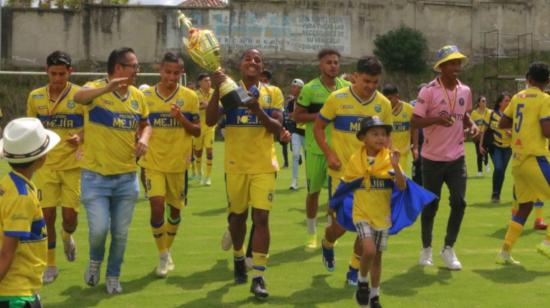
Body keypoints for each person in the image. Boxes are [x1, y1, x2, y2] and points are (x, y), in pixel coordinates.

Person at [206, 49, 290, 299]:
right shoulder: (229, 91)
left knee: (261, 219)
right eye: (248, 59)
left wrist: (258, 110)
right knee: (238, 220)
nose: (253, 62)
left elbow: (277, 129)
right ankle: (239, 256)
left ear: (262, 67)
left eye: (257, 60)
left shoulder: (271, 93)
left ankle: (259, 276)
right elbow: (210, 121)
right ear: (240, 66)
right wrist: (215, 89)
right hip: (235, 166)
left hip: (264, 165)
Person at [73, 47, 151, 294]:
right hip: (95, 178)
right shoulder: (94, 88)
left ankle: (113, 276)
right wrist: (107, 88)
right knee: (98, 230)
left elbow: (146, 124)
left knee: (120, 234)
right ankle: (95, 261)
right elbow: (79, 98)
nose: (137, 71)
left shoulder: (138, 96)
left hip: (127, 178)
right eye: (134, 66)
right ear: (118, 68)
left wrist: (145, 139)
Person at [314, 56, 392, 285]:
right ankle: (327, 243)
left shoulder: (383, 105)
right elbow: (319, 127)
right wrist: (330, 154)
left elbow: (386, 139)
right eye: (366, 81)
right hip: (342, 176)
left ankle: (354, 269)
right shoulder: (337, 99)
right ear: (356, 76)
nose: (370, 86)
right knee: (339, 227)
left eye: (375, 82)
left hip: (371, 178)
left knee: (365, 226)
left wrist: (388, 164)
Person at [412, 45, 479, 270]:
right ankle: (426, 249)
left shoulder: (465, 90)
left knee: (459, 202)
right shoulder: (428, 91)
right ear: (440, 67)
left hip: (457, 157)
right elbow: (414, 121)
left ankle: (448, 249)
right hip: (431, 158)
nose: (456, 67)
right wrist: (436, 121)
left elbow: (465, 114)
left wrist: (472, 124)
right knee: (431, 205)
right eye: (451, 63)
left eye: (458, 63)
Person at [139, 52, 200, 277]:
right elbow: (140, 125)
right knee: (156, 206)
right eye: (167, 72)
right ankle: (163, 255)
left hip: (178, 164)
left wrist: (181, 118)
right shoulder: (145, 96)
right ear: (159, 70)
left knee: (175, 211)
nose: (171, 77)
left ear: (181, 73)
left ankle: (166, 251)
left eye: (176, 73)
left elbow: (197, 130)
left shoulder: (189, 97)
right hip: (153, 162)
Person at [25, 51, 83, 284]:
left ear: (70, 72)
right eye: (53, 74)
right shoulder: (35, 96)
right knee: (46, 215)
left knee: (70, 218)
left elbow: (91, 126)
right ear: (46, 72)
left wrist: (80, 137)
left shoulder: (80, 96)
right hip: (46, 166)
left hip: (72, 165)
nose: (57, 78)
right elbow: (31, 128)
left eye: (62, 74)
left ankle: (67, 236)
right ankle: (50, 264)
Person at [336, 116, 406, 308]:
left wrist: (395, 166)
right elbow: (345, 185)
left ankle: (374, 296)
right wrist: (335, 205)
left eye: (384, 134)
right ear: (363, 138)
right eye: (374, 134)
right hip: (362, 214)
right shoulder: (355, 160)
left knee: (377, 258)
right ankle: (362, 281)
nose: (380, 138)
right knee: (369, 250)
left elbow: (401, 186)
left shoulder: (389, 158)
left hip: (382, 216)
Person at [294, 49, 351, 250]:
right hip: (316, 148)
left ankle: (330, 231)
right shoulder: (309, 89)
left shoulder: (347, 88)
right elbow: (297, 116)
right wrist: (322, 117)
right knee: (314, 192)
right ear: (321, 65)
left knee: (335, 196)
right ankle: (311, 233)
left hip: (340, 150)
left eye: (336, 62)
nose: (333, 65)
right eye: (329, 62)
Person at [0, 118, 60, 307]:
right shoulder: (22, 195)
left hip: (21, 291)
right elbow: (7, 253)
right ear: (42, 159)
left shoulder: (9, 183)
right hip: (15, 294)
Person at [495, 62, 550, 264]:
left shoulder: (518, 97)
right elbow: (546, 130)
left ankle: (504, 252)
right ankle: (547, 243)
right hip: (535, 158)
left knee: (524, 207)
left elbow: (502, 123)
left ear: (527, 78)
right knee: (526, 206)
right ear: (548, 81)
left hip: (517, 161)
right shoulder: (545, 99)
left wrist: (522, 125)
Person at [479, 93, 511, 203]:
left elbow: (517, 129)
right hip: (495, 146)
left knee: (501, 171)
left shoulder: (512, 115)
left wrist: (511, 133)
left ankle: (497, 194)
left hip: (508, 148)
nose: (508, 102)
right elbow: (484, 130)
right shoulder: (491, 113)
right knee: (498, 168)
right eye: (506, 100)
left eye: (509, 100)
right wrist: (480, 145)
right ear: (500, 102)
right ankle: (495, 193)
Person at [382, 83, 418, 174]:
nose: (388, 102)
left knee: (400, 180)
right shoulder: (382, 109)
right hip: (385, 153)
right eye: (385, 99)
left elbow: (414, 129)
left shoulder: (409, 109)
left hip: (403, 154)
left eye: (390, 98)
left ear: (397, 96)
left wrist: (415, 148)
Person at [261, 70, 289, 168]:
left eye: (265, 79)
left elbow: (279, 115)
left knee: (284, 142)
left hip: (280, 122)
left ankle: (288, 161)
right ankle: (286, 162)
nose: (263, 81)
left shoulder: (274, 92)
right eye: (262, 79)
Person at [193, 73, 215, 185]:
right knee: (198, 152)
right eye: (206, 80)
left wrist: (209, 105)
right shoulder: (194, 94)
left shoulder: (214, 93)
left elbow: (219, 107)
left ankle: (208, 177)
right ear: (200, 83)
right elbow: (191, 110)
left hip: (210, 127)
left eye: (209, 80)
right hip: (198, 127)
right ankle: (199, 174)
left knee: (210, 151)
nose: (209, 82)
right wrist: (201, 106)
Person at [286, 78, 305, 190]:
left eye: (294, 86)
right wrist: (294, 115)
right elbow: (288, 115)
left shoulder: (307, 101)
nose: (292, 89)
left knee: (309, 158)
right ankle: (294, 181)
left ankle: (310, 179)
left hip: (308, 132)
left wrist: (295, 115)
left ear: (300, 88)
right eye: (292, 86)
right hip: (296, 132)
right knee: (295, 155)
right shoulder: (291, 102)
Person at [471, 96, 491, 176]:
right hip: (477, 135)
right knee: (479, 153)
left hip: (486, 135)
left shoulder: (489, 112)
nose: (484, 102)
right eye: (483, 101)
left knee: (485, 150)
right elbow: (471, 124)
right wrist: (472, 132)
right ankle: (480, 171)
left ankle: (486, 162)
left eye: (485, 101)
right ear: (479, 103)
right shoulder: (474, 113)